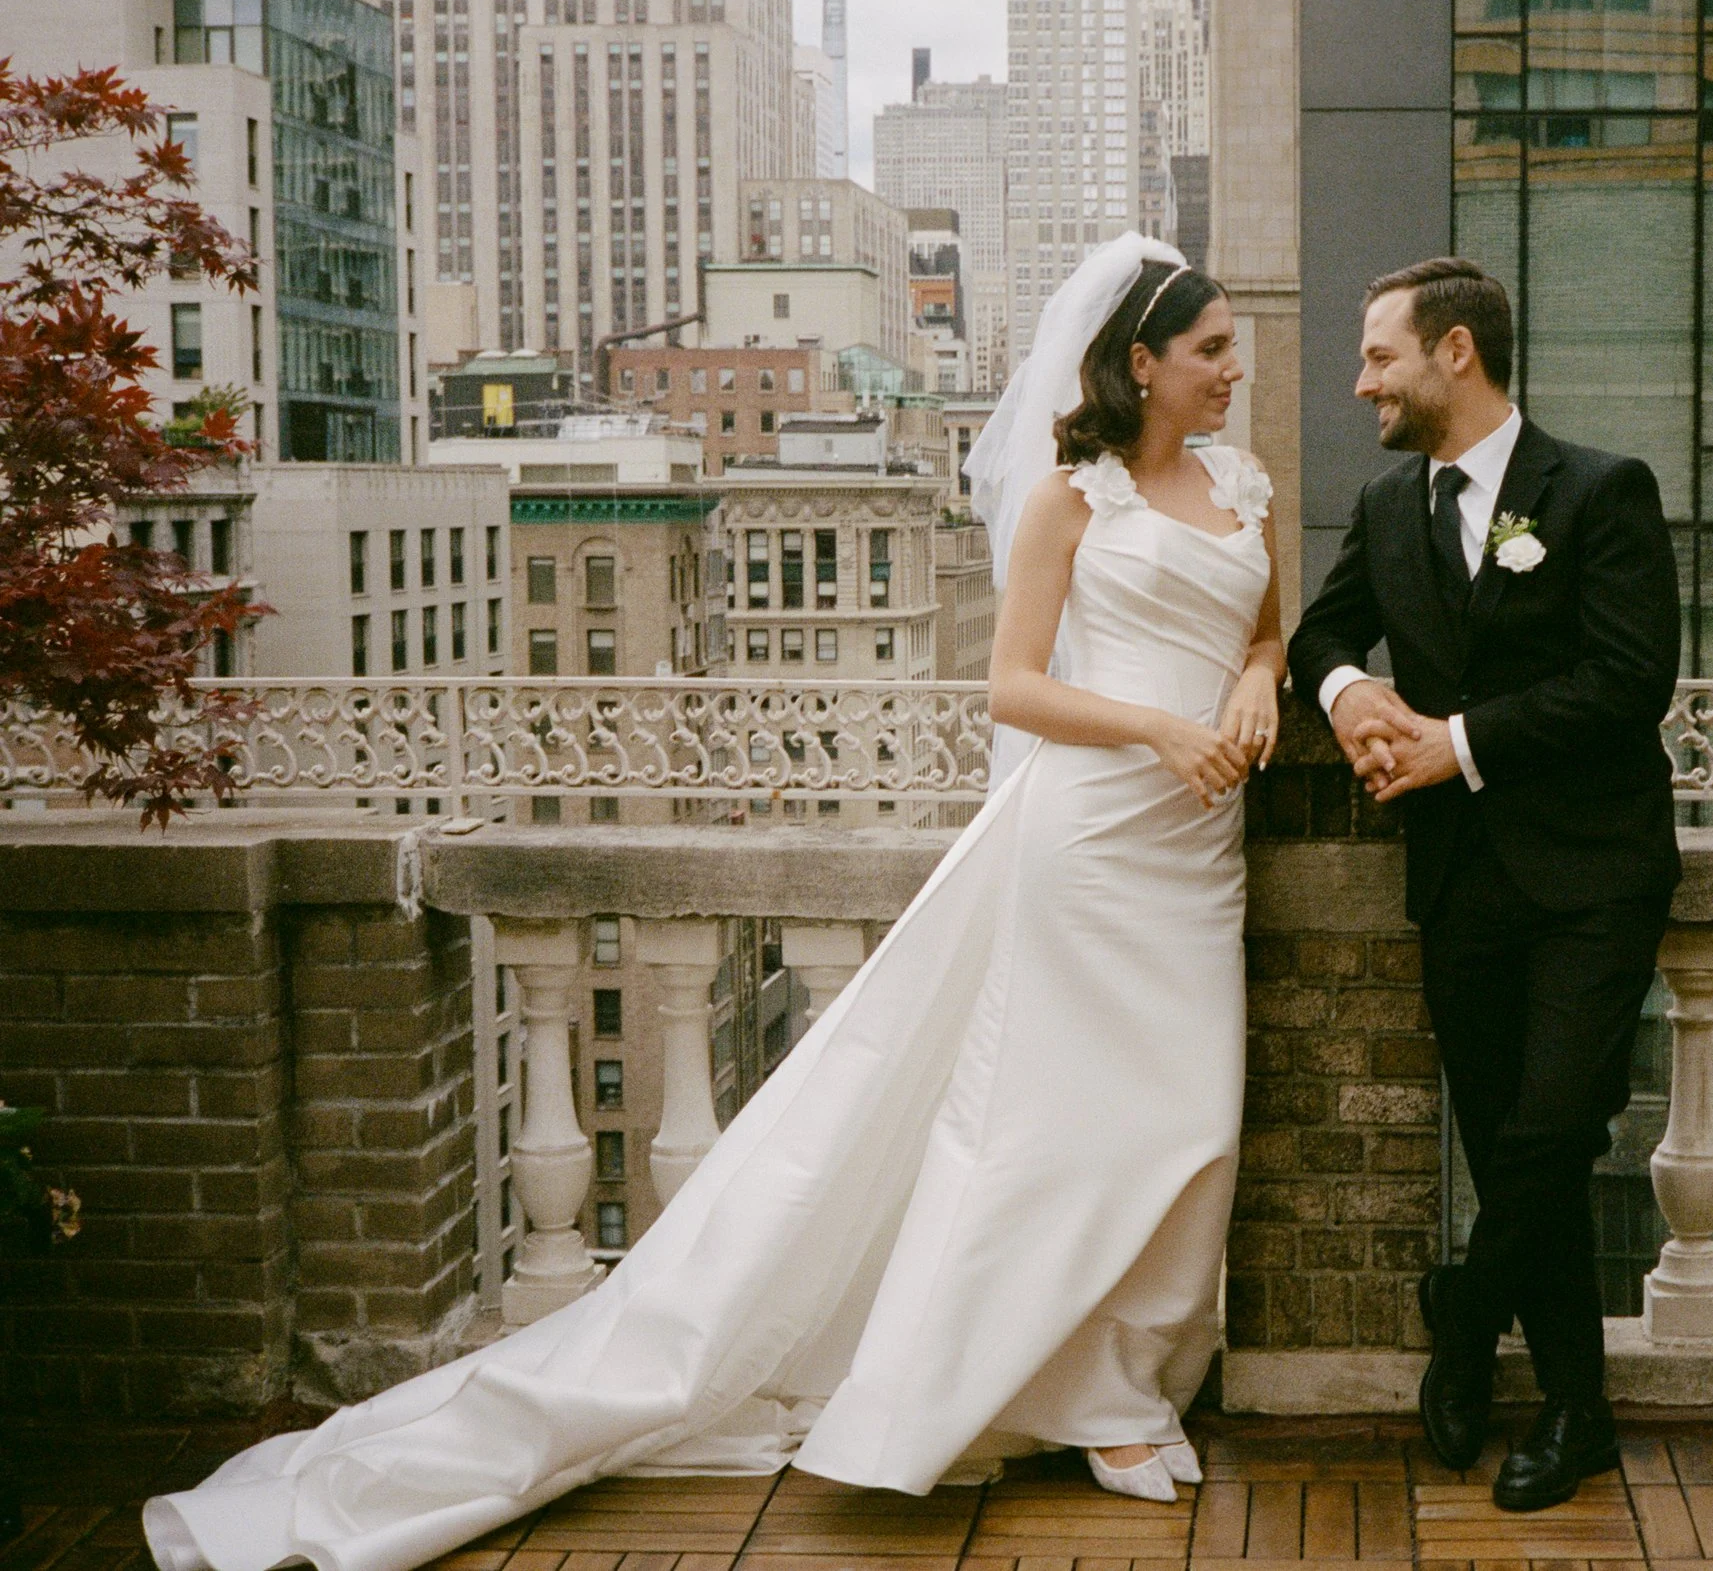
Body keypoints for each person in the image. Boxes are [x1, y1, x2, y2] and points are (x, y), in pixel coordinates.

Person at [143, 234, 1283, 1571]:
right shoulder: (1070, 502)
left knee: (1190, 1122)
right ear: (1142, 364)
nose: (1234, 369)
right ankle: (1080, 1400)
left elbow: (1263, 621)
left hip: (1200, 854)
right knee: (1054, 1130)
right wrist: (1158, 725)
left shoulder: (1242, 479)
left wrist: (1260, 675)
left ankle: (1126, 1370)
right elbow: (1012, 686)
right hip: (1091, 846)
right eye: (1210, 350)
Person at [1286, 257, 1682, 1513]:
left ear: (1456, 353)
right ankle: (1578, 1414)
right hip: (1460, 886)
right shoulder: (1391, 507)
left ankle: (1462, 1318)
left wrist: (1449, 745)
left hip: (1592, 878)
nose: (1362, 386)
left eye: (1380, 358)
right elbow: (1318, 634)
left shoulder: (1602, 492)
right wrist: (1354, 695)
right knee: (1523, 1146)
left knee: (1551, 1129)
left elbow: (1630, 683)